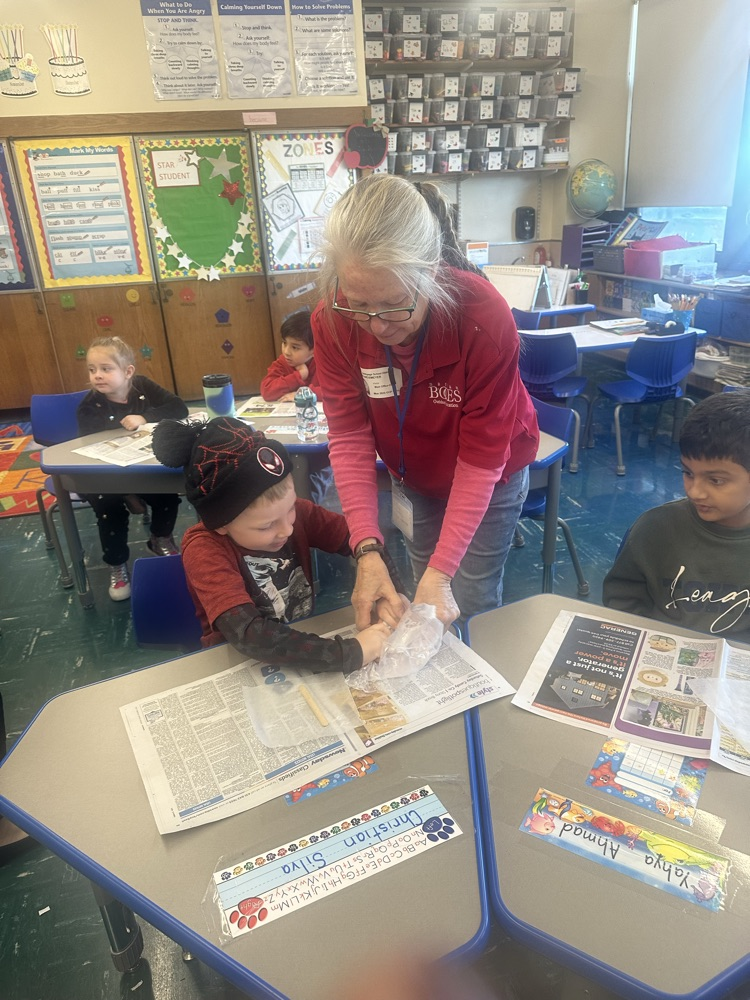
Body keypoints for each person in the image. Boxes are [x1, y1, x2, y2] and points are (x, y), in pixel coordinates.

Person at [310, 174, 539, 630]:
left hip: (488, 477)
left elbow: (481, 458)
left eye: (395, 304)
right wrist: (367, 548)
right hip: (411, 476)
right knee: (422, 589)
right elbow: (351, 436)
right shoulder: (333, 319)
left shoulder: (482, 319)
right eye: (358, 303)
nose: (376, 325)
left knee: (467, 597)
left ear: (432, 271)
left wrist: (444, 571)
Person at [151, 416, 399, 671]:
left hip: (295, 643)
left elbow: (362, 540)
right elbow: (249, 635)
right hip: (238, 663)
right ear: (221, 523)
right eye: (266, 526)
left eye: (290, 508)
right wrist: (349, 653)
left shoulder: (294, 516)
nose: (287, 529)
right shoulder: (205, 550)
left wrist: (388, 592)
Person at [603, 391, 750, 639]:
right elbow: (622, 597)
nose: (695, 491)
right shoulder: (655, 528)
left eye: (716, 480)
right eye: (688, 473)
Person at [77, 336, 188, 601]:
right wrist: (127, 492)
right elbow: (91, 451)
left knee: (166, 494)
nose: (97, 376)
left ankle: (160, 538)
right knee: (109, 509)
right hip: (105, 478)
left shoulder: (143, 387)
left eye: (106, 368)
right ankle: (117, 563)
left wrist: (145, 417)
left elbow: (178, 407)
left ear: (128, 372)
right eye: (92, 370)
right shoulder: (89, 406)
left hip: (141, 470)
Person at [261, 308, 321, 402]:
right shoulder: (282, 362)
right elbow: (267, 391)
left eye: (295, 347)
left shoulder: (324, 363)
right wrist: (299, 376)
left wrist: (302, 394)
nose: (286, 352)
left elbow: (334, 392)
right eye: (284, 343)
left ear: (314, 350)